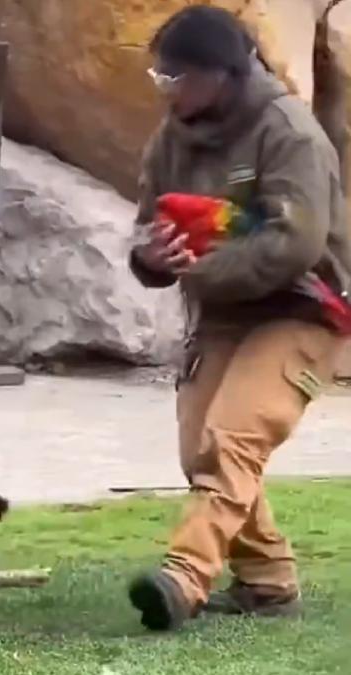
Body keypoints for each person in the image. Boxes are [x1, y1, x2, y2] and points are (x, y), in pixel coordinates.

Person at [126, 5, 351, 632]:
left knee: (233, 438)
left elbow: (296, 245)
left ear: (223, 73)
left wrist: (200, 270)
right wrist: (150, 257)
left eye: (177, 79)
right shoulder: (171, 138)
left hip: (303, 310)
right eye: (159, 80)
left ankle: (183, 576)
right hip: (224, 314)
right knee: (201, 448)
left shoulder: (291, 135)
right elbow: (149, 227)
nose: (167, 92)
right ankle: (268, 579)